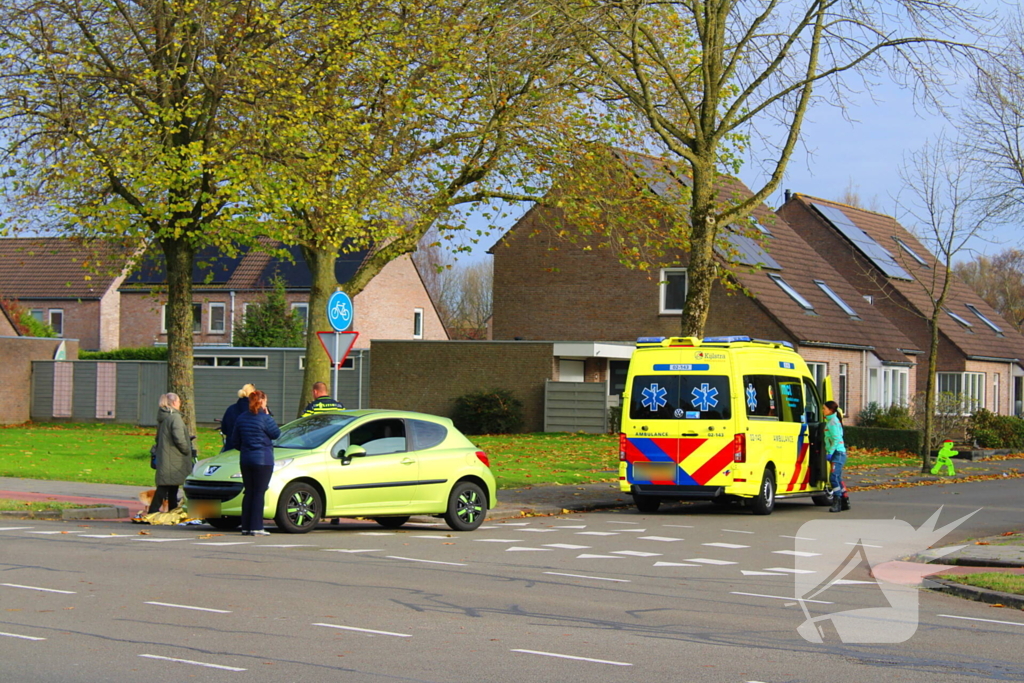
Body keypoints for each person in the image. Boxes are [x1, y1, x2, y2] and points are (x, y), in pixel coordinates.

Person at [231, 389, 281, 536]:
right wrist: (268, 415)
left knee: (249, 492)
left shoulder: (242, 418)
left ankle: (246, 526)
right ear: (263, 402)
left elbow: (235, 441)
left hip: (246, 459)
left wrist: (246, 449)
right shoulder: (265, 418)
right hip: (263, 460)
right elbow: (276, 434)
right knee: (259, 492)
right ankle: (257, 526)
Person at [150, 392, 192, 514]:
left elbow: (158, 438)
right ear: (174, 403)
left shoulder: (163, 418)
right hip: (175, 456)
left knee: (171, 485)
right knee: (165, 486)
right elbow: (179, 438)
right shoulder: (175, 418)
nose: (180, 403)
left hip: (165, 455)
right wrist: (186, 449)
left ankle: (172, 510)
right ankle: (152, 511)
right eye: (179, 401)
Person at [823, 400, 850, 513]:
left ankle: (837, 501)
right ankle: (845, 500)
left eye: (824, 408)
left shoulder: (832, 422)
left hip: (837, 453)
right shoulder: (832, 421)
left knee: (833, 478)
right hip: (838, 453)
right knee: (837, 478)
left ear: (831, 410)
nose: (822, 410)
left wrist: (830, 452)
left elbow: (836, 439)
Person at [220, 383, 256, 451]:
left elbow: (224, 429)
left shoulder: (231, 409)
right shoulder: (255, 411)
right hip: (249, 448)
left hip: (231, 446)